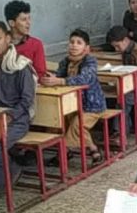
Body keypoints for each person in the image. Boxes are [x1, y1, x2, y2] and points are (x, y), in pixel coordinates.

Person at [0, 21, 36, 197]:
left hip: (17, 119)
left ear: (8, 39)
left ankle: (10, 172)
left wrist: (9, 116)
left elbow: (26, 100)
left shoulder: (20, 65)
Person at [41, 29, 106, 166]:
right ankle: (72, 151)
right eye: (72, 42)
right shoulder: (65, 61)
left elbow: (85, 79)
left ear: (86, 48)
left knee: (77, 125)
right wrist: (52, 78)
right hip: (71, 104)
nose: (74, 45)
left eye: (79, 43)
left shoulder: (90, 62)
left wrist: (60, 81)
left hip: (91, 106)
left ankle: (81, 150)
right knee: (58, 121)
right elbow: (59, 76)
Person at [0, 0, 47, 80]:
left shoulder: (36, 44)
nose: (28, 23)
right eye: (24, 20)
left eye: (29, 19)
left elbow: (40, 73)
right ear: (11, 23)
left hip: (25, 85)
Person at [106, 25, 137, 132]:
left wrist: (128, 82)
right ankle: (123, 128)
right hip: (129, 85)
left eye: (117, 46)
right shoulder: (125, 51)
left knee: (123, 100)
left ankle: (120, 131)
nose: (116, 49)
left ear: (126, 40)